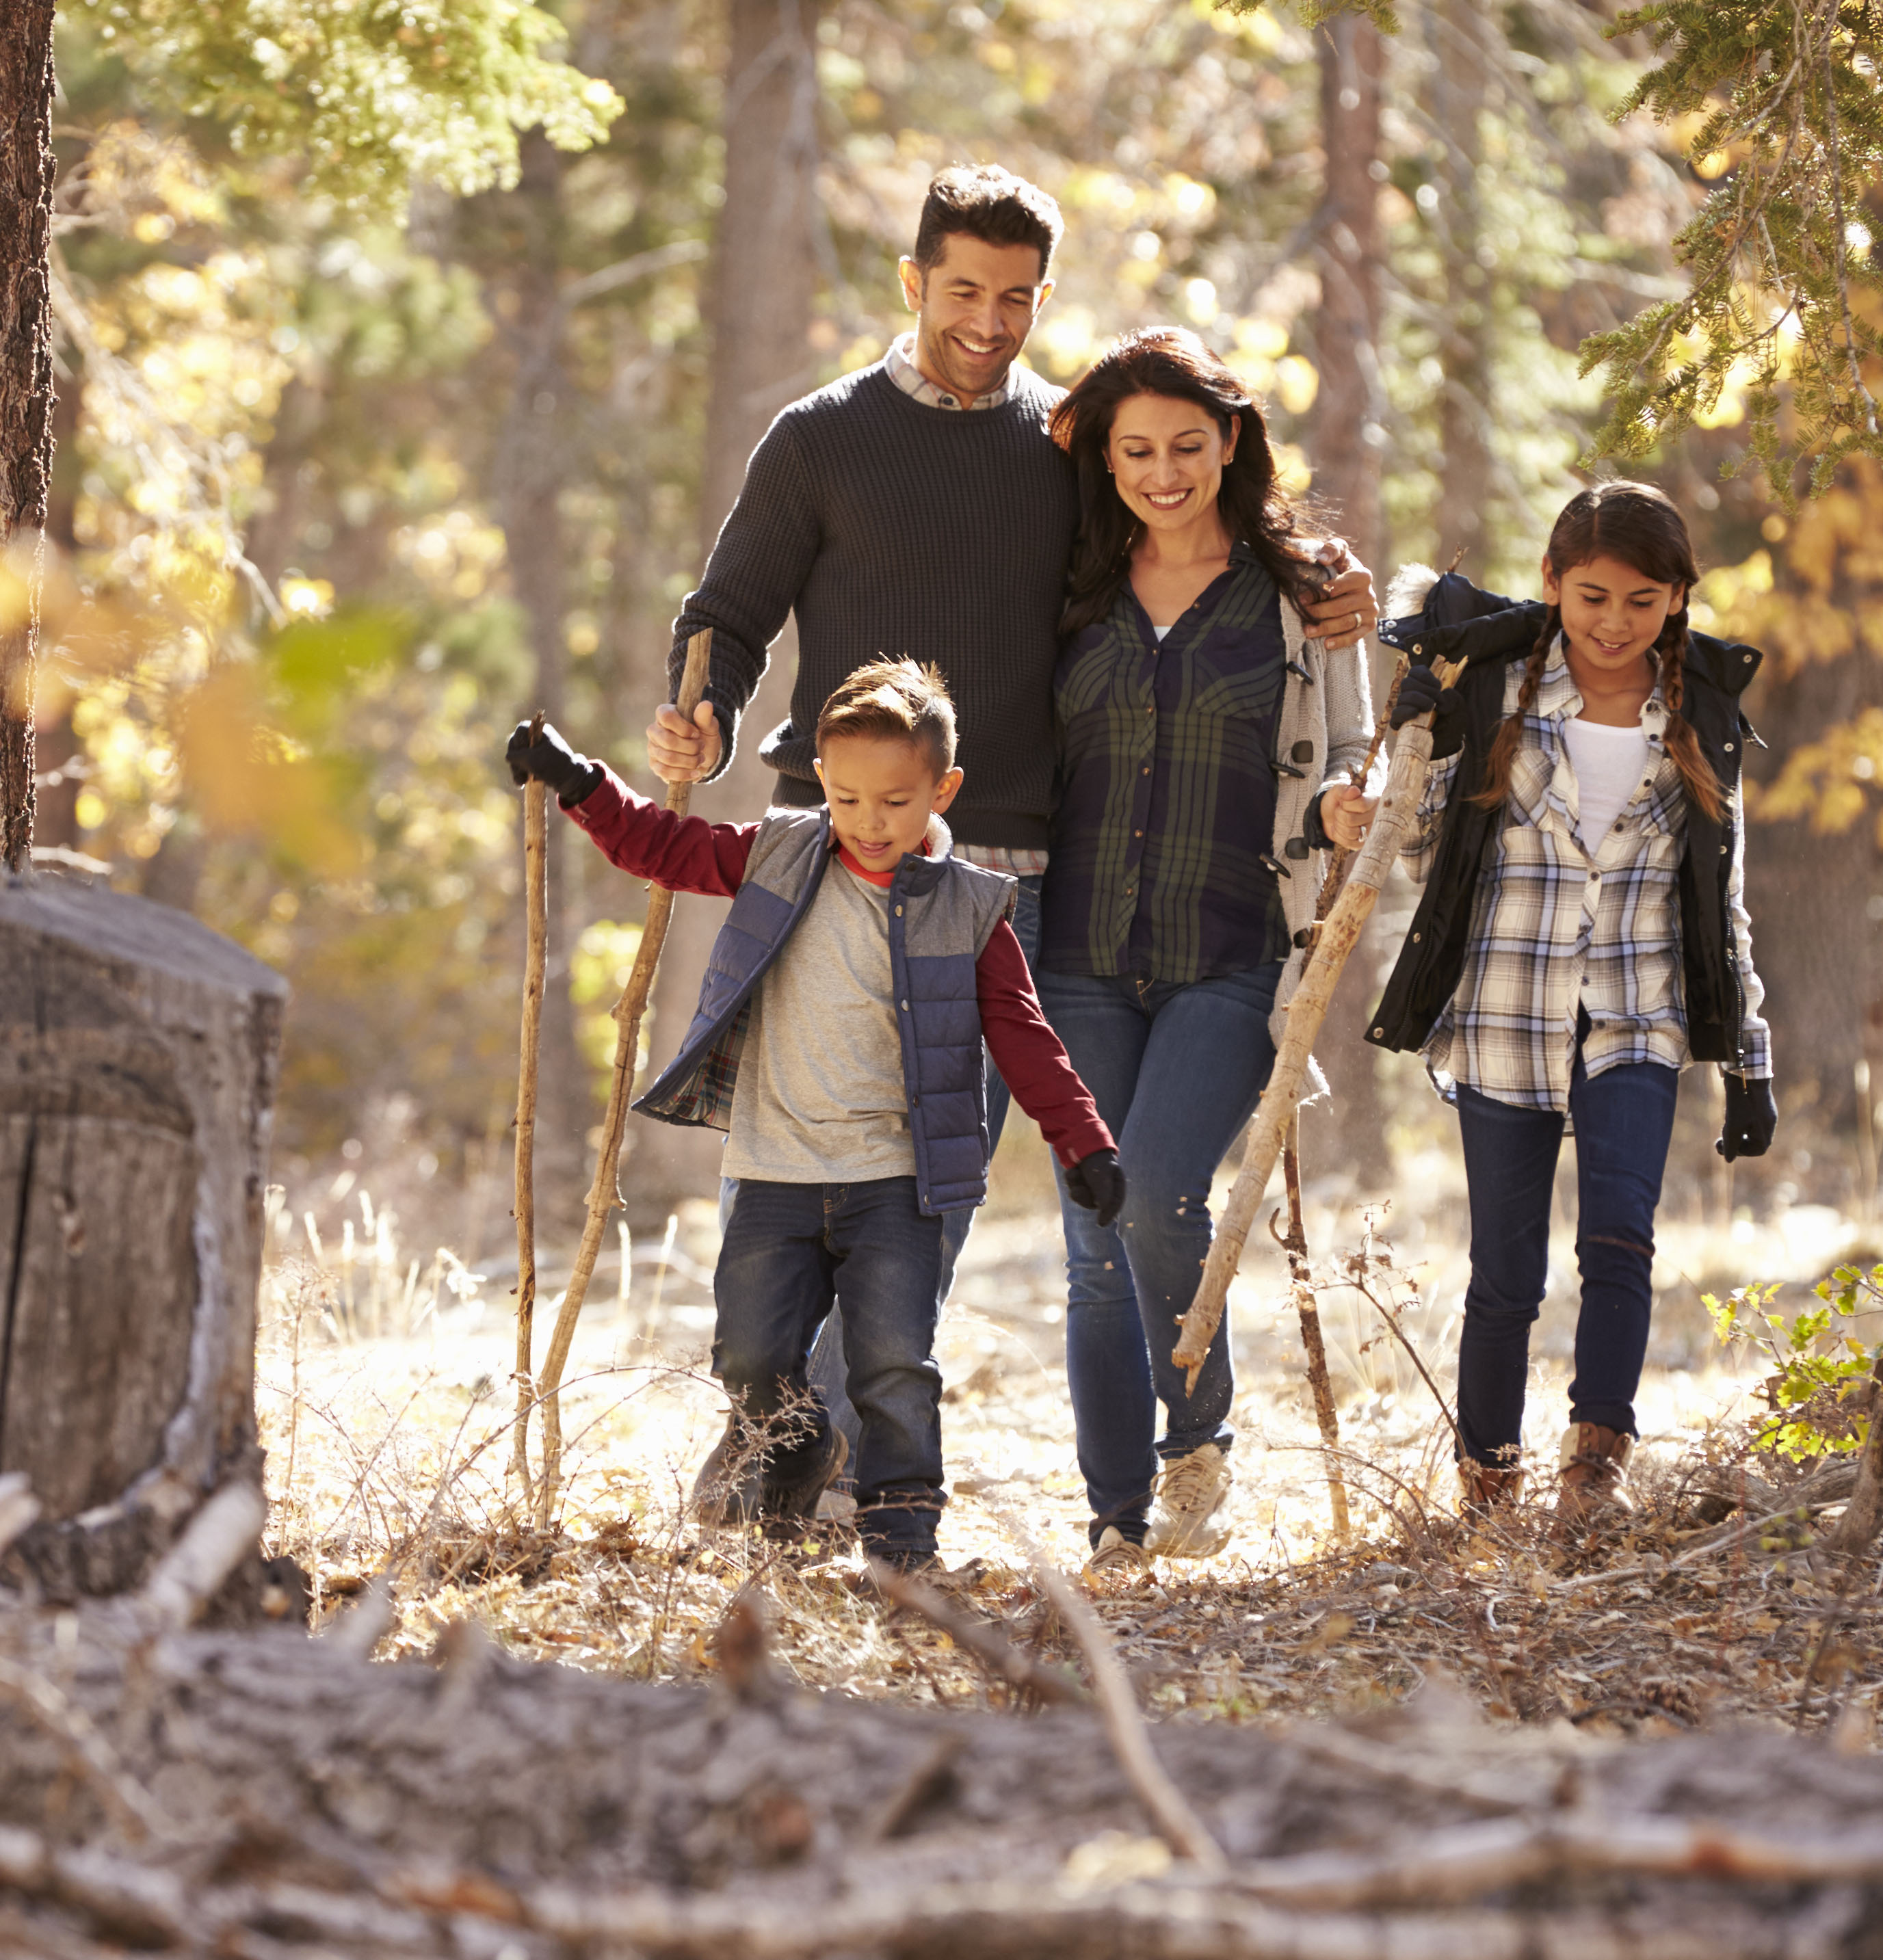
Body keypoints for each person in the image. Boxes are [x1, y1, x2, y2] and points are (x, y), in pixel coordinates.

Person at [648, 163, 1373, 1487]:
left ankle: (822, 1464)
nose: (987, 321)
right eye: (964, 290)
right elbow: (728, 612)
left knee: (935, 1182)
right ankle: (768, 1419)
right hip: (826, 856)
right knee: (808, 1159)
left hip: (1005, 877)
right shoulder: (818, 436)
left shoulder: (1063, 446)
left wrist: (1326, 581)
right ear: (912, 280)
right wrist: (694, 707)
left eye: (1017, 297)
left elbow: (1193, 533)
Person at [508, 662, 1126, 1575]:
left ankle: (903, 1540)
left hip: (897, 1182)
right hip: (774, 1173)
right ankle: (793, 1444)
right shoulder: (783, 852)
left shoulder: (971, 905)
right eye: (846, 797)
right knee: (750, 1353)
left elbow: (1024, 1034)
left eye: (894, 800)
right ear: (820, 783)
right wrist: (576, 781)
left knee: (891, 1367)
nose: (869, 821)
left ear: (943, 790)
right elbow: (665, 847)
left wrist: (1083, 1139)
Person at [1365, 481, 1778, 1526]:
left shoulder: (1701, 715)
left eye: (1644, 600)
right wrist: (1419, 740)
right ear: (1551, 584)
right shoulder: (1497, 689)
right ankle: (1488, 1482)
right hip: (1506, 1010)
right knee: (1506, 1272)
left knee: (1620, 1241)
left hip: (1638, 1013)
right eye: (1591, 595)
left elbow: (1722, 897)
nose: (1614, 621)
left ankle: (1596, 1465)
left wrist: (1749, 1057)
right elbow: (1417, 855)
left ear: (1679, 599)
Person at [1030, 330, 1375, 1576]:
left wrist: (1350, 801)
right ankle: (1116, 1516)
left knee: (1162, 1188)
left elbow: (1356, 749)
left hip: (1233, 951)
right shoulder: (1066, 580)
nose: (1164, 471)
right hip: (1072, 953)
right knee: (1090, 1231)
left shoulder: (1304, 595)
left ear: (1231, 442)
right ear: (1106, 460)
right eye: (1137, 450)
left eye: (1187, 444)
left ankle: (1197, 1434)